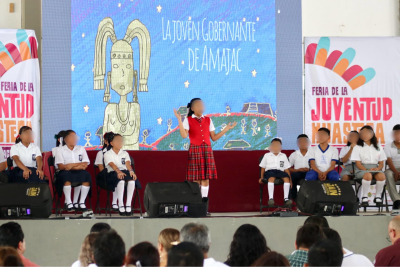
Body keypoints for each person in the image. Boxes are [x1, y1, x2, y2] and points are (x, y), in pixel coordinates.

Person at [173, 98, 237, 200]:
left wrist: (226, 129)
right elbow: (184, 135)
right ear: (192, 108)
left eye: (202, 105)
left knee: (205, 178)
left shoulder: (208, 119)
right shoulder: (188, 120)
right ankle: (196, 201)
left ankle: (204, 202)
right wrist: (179, 120)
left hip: (207, 150)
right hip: (195, 149)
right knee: (196, 178)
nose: (201, 107)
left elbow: (214, 137)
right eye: (198, 105)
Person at [55, 130, 92, 212]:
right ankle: (69, 202)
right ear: (66, 139)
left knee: (86, 175)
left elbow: (85, 164)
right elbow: (61, 166)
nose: (75, 139)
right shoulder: (60, 150)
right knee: (66, 176)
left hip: (78, 170)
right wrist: (78, 166)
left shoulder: (81, 148)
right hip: (64, 171)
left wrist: (71, 165)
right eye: (72, 137)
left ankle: (81, 202)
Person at [351, 125, 387, 206]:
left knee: (381, 176)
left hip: (375, 168)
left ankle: (377, 197)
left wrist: (377, 168)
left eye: (367, 133)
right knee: (367, 175)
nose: (365, 135)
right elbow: (358, 164)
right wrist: (367, 170)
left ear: (372, 134)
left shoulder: (378, 147)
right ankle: (364, 197)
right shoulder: (357, 147)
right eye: (362, 133)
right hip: (362, 169)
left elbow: (381, 163)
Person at [104, 133, 137, 216]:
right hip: (112, 173)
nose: (120, 142)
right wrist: (118, 172)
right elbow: (111, 164)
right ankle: (121, 204)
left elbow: (128, 163)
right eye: (118, 141)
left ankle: (128, 205)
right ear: (112, 143)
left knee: (132, 181)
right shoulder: (107, 154)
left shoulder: (125, 153)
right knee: (121, 181)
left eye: (121, 141)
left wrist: (131, 171)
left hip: (124, 171)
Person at [259, 138, 292, 207]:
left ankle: (286, 198)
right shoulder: (267, 155)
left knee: (286, 178)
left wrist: (290, 180)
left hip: (279, 171)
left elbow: (286, 169)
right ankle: (271, 198)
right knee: (271, 178)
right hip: (270, 171)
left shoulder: (283, 155)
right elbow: (262, 167)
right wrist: (261, 177)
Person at [94, 132, 118, 210]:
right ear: (105, 141)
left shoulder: (120, 153)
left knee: (122, 178)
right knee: (117, 178)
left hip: (117, 174)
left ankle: (118, 203)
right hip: (105, 176)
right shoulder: (101, 153)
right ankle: (115, 203)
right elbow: (101, 169)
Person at [288, 134, 311, 201]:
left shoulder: (312, 153)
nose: (303, 143)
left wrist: (310, 169)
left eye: (305, 141)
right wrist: (297, 170)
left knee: (314, 176)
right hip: (297, 172)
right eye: (300, 141)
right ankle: (295, 199)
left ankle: (310, 198)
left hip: (309, 172)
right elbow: (287, 167)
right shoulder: (294, 154)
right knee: (292, 177)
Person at [384, 124, 400, 210]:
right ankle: (397, 200)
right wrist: (396, 172)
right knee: (388, 174)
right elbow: (389, 161)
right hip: (392, 168)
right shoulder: (388, 146)